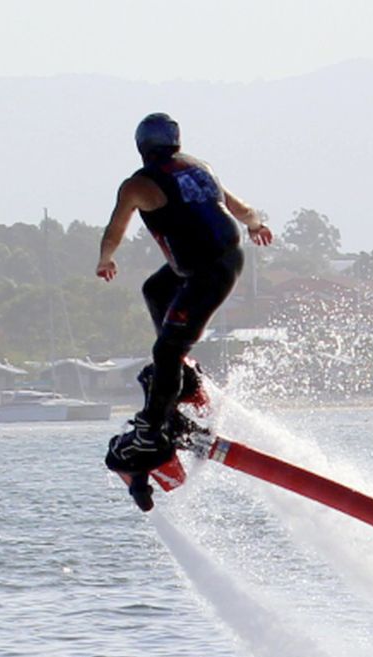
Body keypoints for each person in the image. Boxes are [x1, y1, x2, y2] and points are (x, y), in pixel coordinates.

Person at [97, 113, 272, 483]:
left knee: (165, 351)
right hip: (217, 260)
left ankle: (152, 433)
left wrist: (105, 258)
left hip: (208, 273)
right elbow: (239, 208)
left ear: (142, 146)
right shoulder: (198, 168)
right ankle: (182, 379)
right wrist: (256, 225)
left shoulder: (137, 184)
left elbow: (116, 228)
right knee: (155, 289)